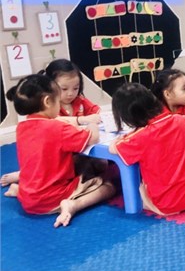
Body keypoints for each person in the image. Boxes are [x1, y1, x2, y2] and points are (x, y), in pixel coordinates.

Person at [5, 74, 115, 228]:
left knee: (79, 161)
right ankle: (74, 205)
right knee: (109, 187)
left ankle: (18, 190)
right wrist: (92, 125)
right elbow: (93, 138)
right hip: (50, 200)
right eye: (58, 101)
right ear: (47, 102)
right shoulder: (57, 128)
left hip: (28, 197)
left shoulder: (22, 127)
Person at [1, 58, 104, 194]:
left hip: (70, 151)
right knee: (100, 178)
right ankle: (22, 176)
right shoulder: (50, 113)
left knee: (99, 164)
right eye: (64, 89)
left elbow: (95, 111)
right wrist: (83, 120)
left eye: (76, 88)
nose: (70, 93)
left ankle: (23, 182)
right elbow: (58, 122)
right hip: (56, 163)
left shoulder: (79, 101)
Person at [109, 83, 185, 215]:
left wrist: (117, 140)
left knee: (141, 186)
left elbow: (113, 149)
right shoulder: (179, 120)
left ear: (127, 116)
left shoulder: (139, 137)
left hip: (166, 205)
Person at [151, 68, 185, 157]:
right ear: (167, 94)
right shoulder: (157, 112)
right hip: (170, 153)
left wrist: (170, 123)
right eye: (184, 89)